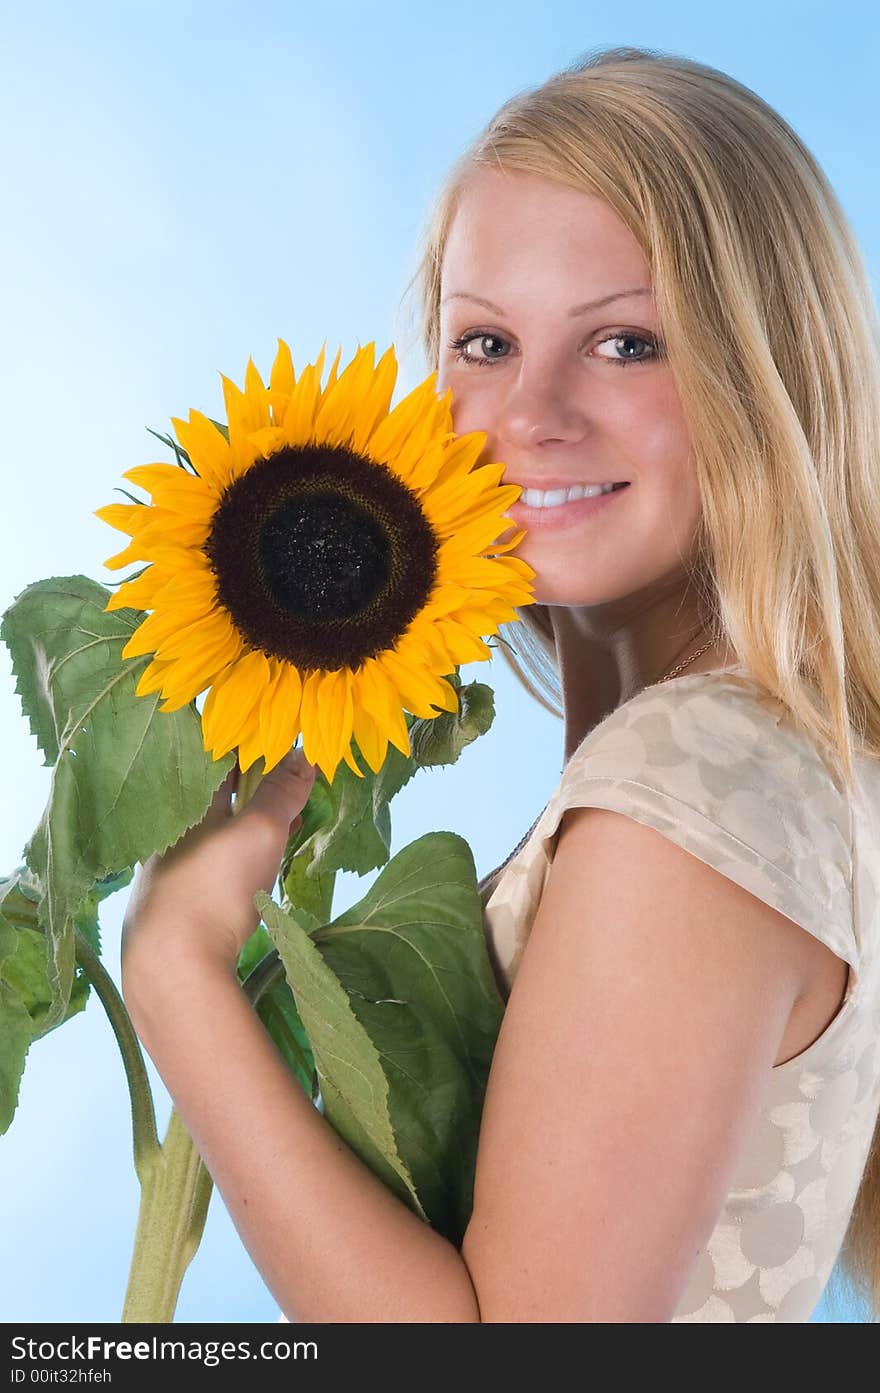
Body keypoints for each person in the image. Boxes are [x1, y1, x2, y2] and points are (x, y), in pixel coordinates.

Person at [120, 46, 880, 1322]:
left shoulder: (687, 803)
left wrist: (176, 977)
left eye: (626, 342)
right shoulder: (766, 759)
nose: (529, 413)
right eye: (484, 340)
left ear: (768, 375)